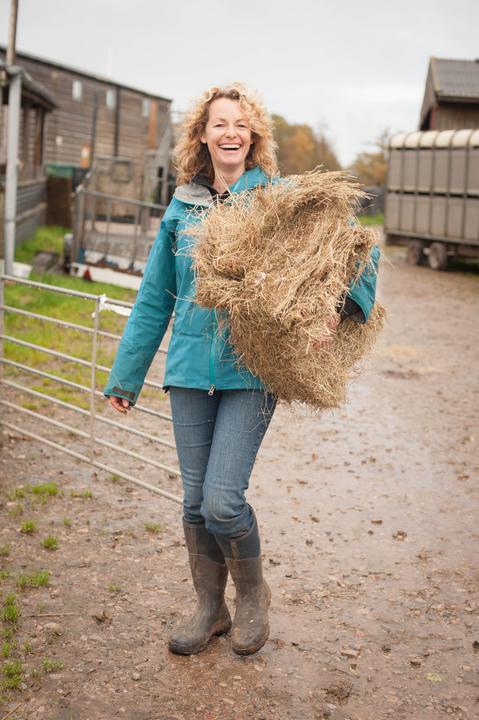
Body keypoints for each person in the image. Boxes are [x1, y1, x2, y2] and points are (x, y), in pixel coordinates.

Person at [104, 83, 380, 656]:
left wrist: (333, 308)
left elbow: (358, 248)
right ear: (201, 137)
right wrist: (126, 376)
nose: (230, 132)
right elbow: (155, 297)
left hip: (250, 370)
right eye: (219, 123)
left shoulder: (278, 200)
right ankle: (210, 609)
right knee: (193, 502)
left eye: (241, 123)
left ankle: (253, 597)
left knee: (222, 501)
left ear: (254, 137)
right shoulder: (181, 206)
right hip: (187, 371)